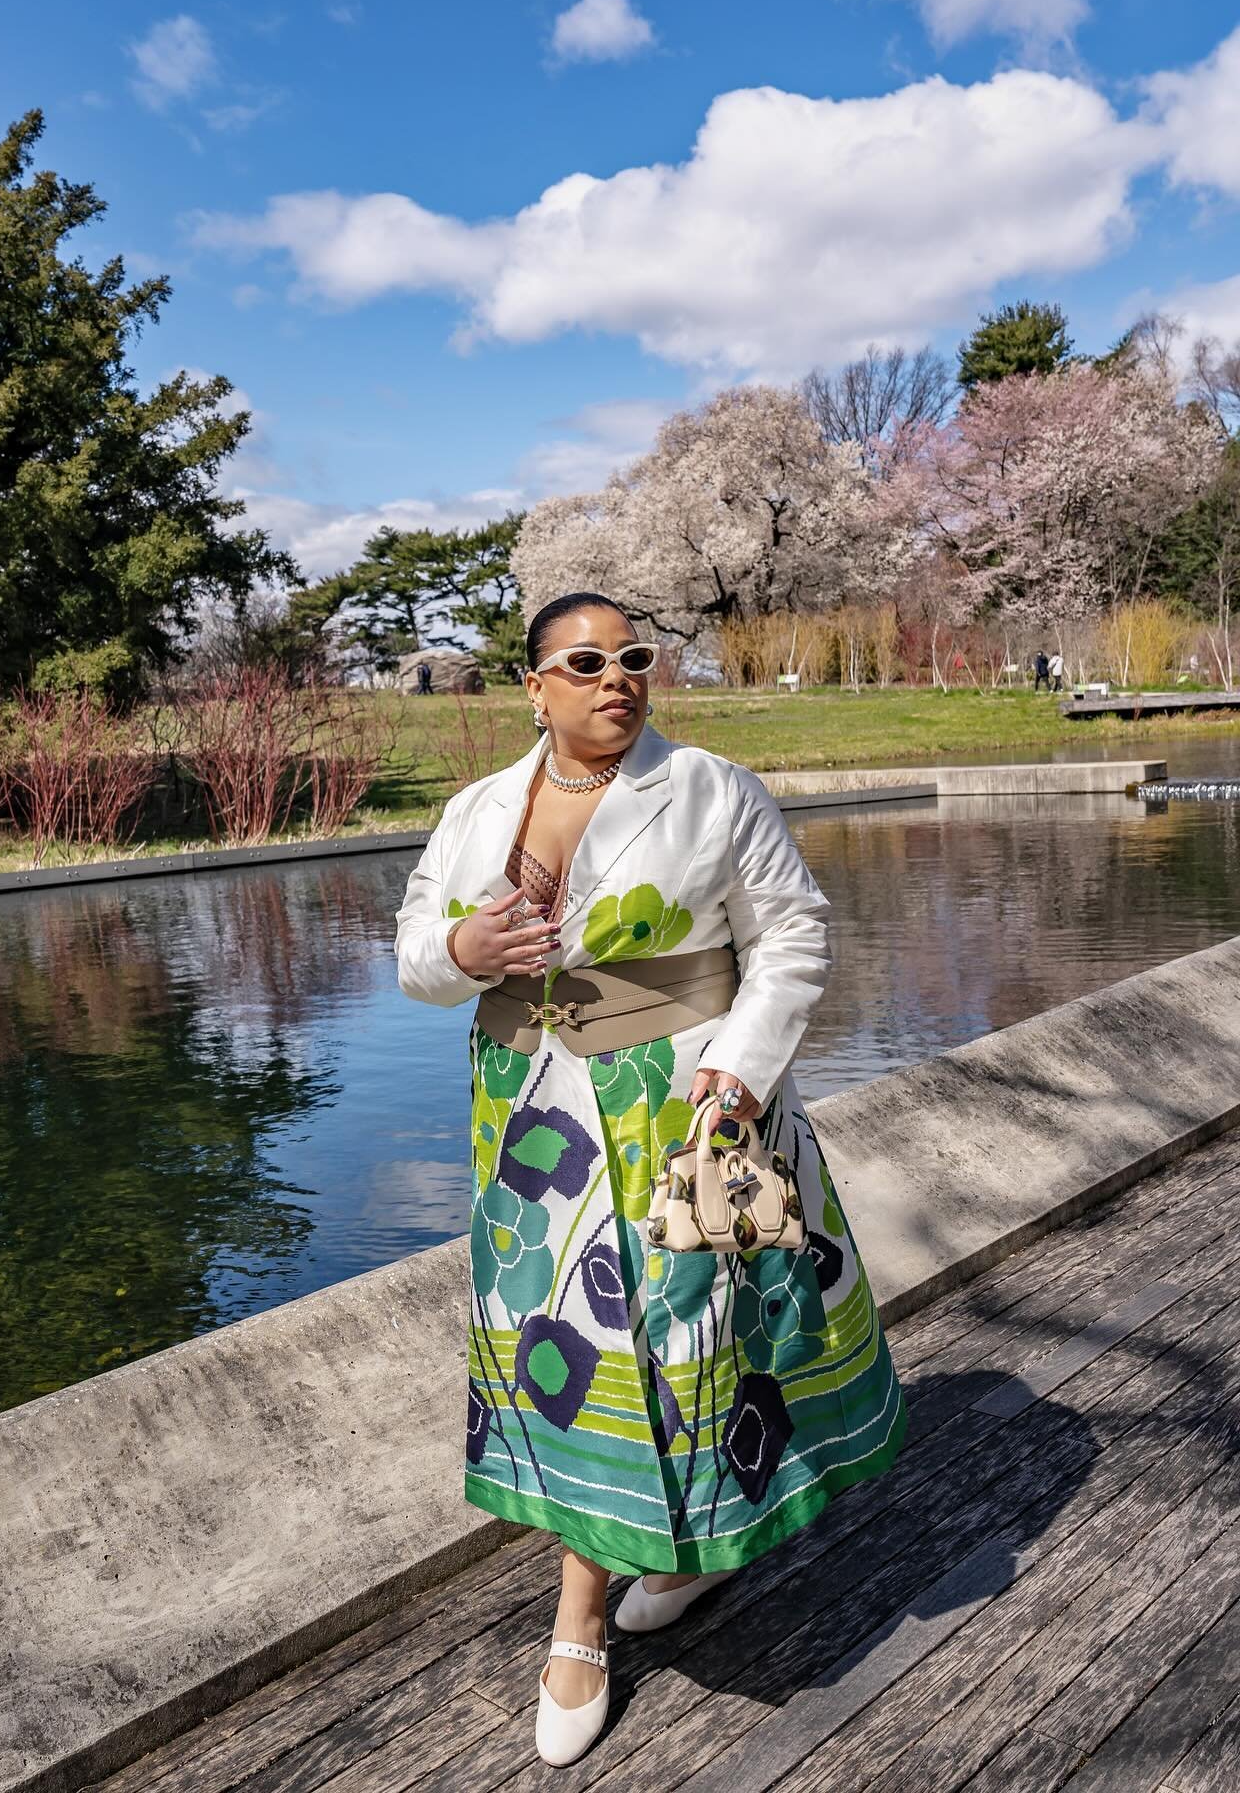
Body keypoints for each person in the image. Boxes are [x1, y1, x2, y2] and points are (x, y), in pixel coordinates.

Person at [394, 592, 907, 1769]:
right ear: (535, 685)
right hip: (530, 1125)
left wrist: (739, 1067)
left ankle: (584, 1612)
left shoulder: (714, 788)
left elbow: (792, 935)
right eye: (586, 662)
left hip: (688, 1111)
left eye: (635, 659)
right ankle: (651, 1557)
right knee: (562, 1350)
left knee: (681, 1347)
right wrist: (461, 953)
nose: (616, 679)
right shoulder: (476, 811)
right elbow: (418, 950)